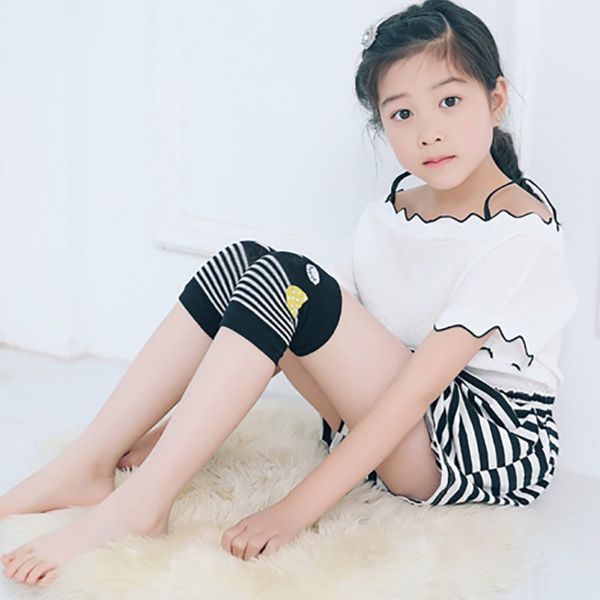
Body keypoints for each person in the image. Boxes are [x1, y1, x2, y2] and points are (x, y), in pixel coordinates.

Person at [0, 0, 579, 588]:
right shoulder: (399, 204)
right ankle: (88, 463)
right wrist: (172, 437)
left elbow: (417, 389)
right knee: (247, 263)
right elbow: (297, 324)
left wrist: (294, 511)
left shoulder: (520, 233)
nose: (428, 131)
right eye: (402, 114)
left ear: (496, 100)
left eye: (449, 101)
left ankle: (140, 506)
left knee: (293, 281)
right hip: (396, 413)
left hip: (473, 443)